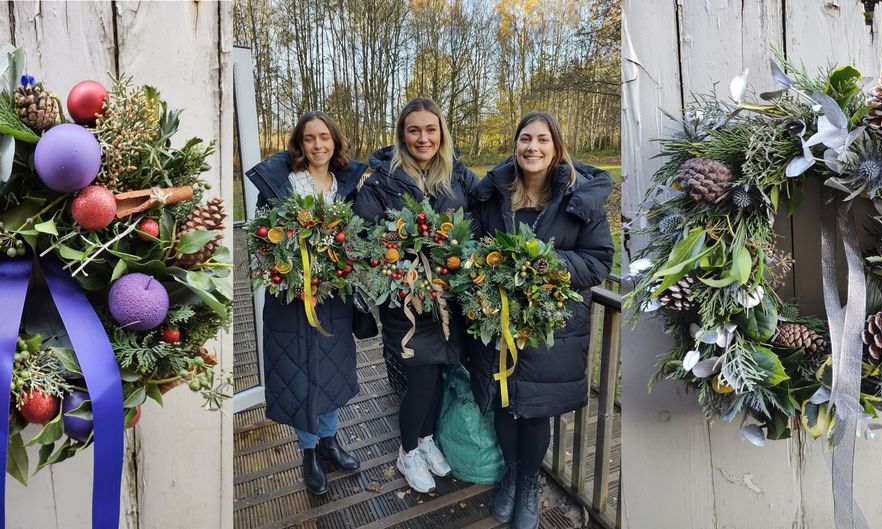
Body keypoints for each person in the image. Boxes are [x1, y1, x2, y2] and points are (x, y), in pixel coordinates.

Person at [467, 112, 614, 529]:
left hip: (550, 328)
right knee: (503, 402)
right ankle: (512, 477)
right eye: (525, 139)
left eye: (542, 140)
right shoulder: (492, 196)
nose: (532, 147)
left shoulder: (578, 200)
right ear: (515, 146)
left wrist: (542, 262)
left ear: (556, 147)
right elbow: (474, 248)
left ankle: (530, 482)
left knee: (534, 411)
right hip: (497, 323)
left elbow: (599, 260)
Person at [353, 96, 479, 493]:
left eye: (430, 129)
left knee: (440, 372)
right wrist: (401, 257)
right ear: (401, 135)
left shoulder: (458, 175)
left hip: (450, 297)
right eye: (414, 130)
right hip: (406, 299)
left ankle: (426, 441)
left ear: (441, 132)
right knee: (420, 378)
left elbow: (491, 205)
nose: (423, 138)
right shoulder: (381, 180)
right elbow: (364, 237)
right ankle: (407, 450)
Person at [244, 111, 368, 496]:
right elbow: (262, 237)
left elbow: (357, 237)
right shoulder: (281, 185)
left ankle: (330, 442)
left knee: (331, 369)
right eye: (310, 138)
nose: (318, 145)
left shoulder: (345, 185)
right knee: (298, 372)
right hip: (290, 297)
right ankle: (309, 451)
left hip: (333, 297)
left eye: (324, 137)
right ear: (300, 144)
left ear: (335, 141)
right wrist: (290, 269)